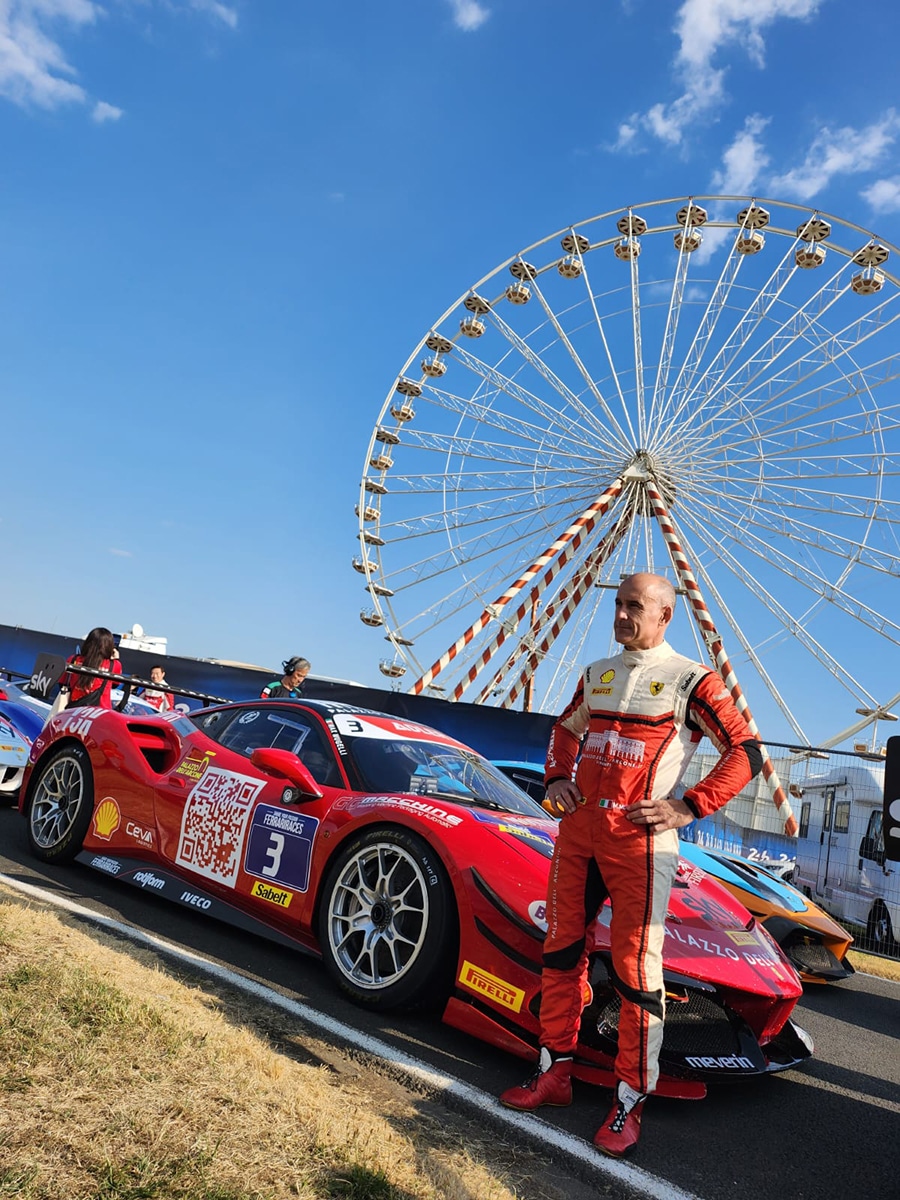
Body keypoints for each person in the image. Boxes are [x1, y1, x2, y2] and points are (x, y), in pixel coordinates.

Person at [499, 573, 763, 1158]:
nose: (621, 615)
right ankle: (555, 1073)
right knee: (561, 950)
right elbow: (562, 733)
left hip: (639, 846)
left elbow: (745, 752)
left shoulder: (693, 679)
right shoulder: (596, 673)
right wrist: (555, 780)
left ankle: (628, 1099)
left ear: (665, 615)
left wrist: (687, 805)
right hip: (578, 838)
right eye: (618, 604)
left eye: (634, 606)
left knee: (635, 972)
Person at [59, 627, 123, 709]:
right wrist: (116, 658)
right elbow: (115, 685)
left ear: (88, 642)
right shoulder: (114, 665)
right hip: (100, 713)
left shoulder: (73, 659)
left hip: (73, 711)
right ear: (109, 646)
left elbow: (62, 683)